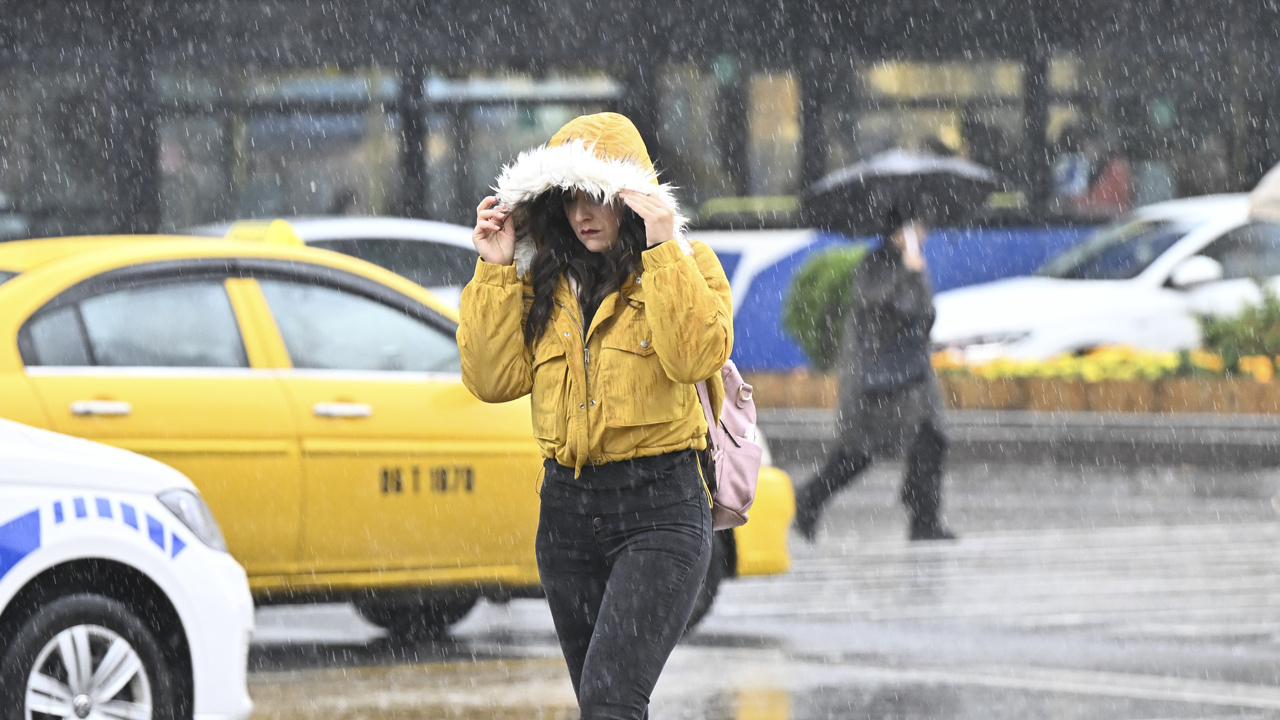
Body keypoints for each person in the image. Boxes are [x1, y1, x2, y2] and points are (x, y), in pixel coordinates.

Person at [457, 112, 733, 720]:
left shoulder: (689, 264)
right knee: (601, 706)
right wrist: (495, 267)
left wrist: (662, 248)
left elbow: (694, 358)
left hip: (660, 510)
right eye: (571, 197)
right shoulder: (540, 284)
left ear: (632, 199)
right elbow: (490, 379)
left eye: (600, 196)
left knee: (611, 700)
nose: (584, 212)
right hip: (567, 516)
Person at [792, 202, 957, 543]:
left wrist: (914, 275)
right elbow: (878, 308)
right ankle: (808, 501)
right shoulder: (876, 264)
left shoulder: (912, 265)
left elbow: (923, 316)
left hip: (911, 377)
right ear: (899, 231)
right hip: (876, 382)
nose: (923, 235)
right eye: (916, 228)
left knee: (931, 438)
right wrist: (906, 274)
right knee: (856, 454)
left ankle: (924, 517)